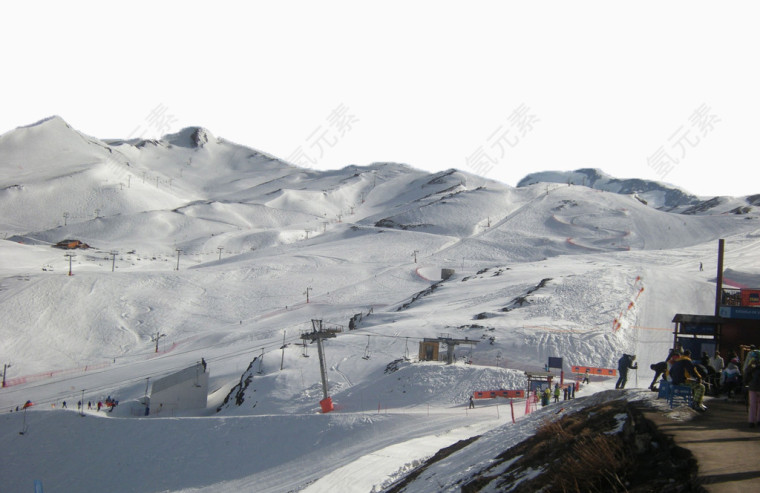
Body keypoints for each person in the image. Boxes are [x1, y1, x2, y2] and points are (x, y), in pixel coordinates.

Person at [745, 357, 760, 427]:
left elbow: (747, 372)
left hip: (752, 386)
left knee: (752, 405)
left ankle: (751, 421)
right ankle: (759, 420)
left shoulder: (753, 363)